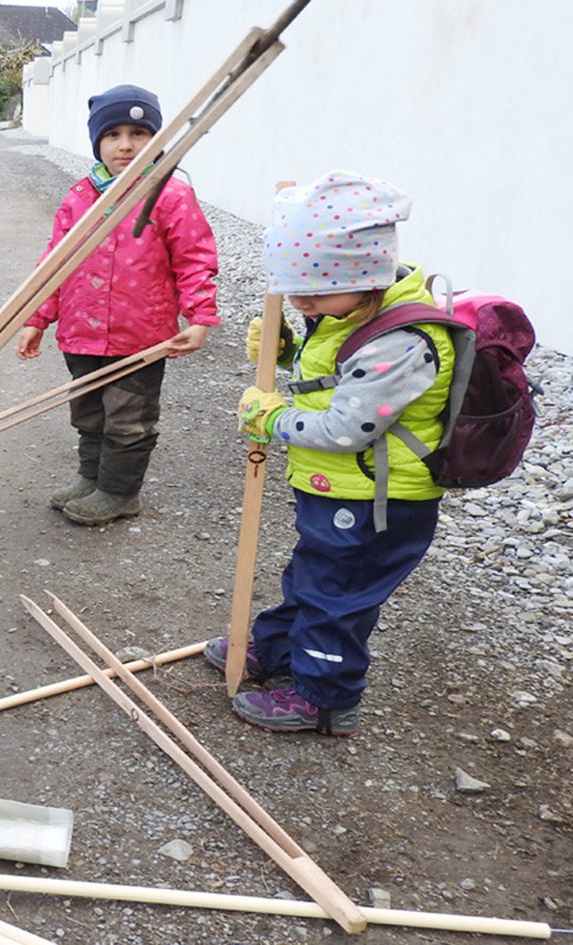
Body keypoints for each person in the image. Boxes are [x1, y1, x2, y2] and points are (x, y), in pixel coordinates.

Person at [205, 170, 453, 737]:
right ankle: (274, 650)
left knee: (335, 597)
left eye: (311, 294)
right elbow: (339, 382)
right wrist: (291, 352)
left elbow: (348, 427)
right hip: (340, 488)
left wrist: (271, 417)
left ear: (364, 277)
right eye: (291, 290)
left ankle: (324, 699)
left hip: (376, 502)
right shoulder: (350, 312)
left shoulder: (403, 341)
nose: (297, 301)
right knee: (312, 578)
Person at [16, 84, 219, 526]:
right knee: (88, 413)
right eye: (113, 135)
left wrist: (200, 316)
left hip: (140, 337)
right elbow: (54, 264)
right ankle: (91, 478)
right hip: (81, 333)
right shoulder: (80, 198)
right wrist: (38, 318)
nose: (126, 145)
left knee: (128, 419)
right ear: (98, 142)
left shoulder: (170, 195)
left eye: (139, 133)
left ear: (155, 139)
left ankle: (120, 492)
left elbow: (195, 259)